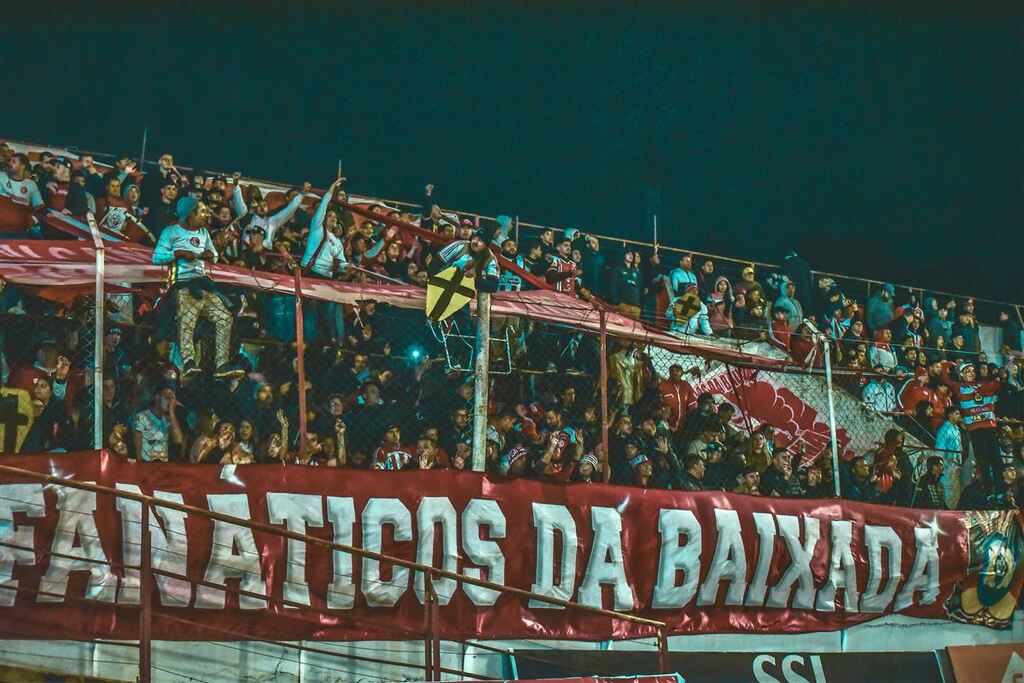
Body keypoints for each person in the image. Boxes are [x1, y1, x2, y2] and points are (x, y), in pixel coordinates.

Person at [152, 196, 242, 379]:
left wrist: (210, 254)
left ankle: (222, 364)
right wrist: (178, 253)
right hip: (182, 285)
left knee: (224, 318)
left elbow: (215, 255)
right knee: (188, 320)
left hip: (203, 284)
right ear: (190, 213)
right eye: (201, 211)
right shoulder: (171, 232)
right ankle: (188, 362)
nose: (205, 214)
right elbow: (157, 257)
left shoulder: (204, 233)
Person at [940, 360, 1002, 486]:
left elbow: (999, 383)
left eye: (973, 370)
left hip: (989, 427)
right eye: (967, 371)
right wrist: (953, 364)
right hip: (975, 429)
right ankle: (989, 493)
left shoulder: (983, 385)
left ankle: (1001, 492)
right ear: (961, 374)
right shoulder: (959, 387)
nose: (971, 373)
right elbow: (944, 376)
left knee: (997, 460)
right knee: (983, 462)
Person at [130, 384, 184, 462]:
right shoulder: (141, 417)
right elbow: (137, 448)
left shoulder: (168, 419)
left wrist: (171, 412)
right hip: (146, 464)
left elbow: (178, 440)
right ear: (157, 397)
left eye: (172, 398)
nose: (171, 402)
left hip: (162, 465)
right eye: (167, 397)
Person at [934, 406, 966, 505]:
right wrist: (941, 463)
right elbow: (940, 448)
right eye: (956, 413)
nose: (959, 416)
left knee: (956, 490)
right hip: (947, 463)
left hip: (956, 463)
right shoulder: (944, 429)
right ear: (949, 415)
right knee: (948, 489)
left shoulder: (956, 429)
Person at [658, 364, 699, 433]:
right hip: (666, 427)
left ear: (682, 373)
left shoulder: (686, 385)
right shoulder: (663, 385)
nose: (674, 373)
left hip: (683, 427)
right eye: (672, 371)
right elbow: (659, 404)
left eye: (677, 371)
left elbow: (692, 405)